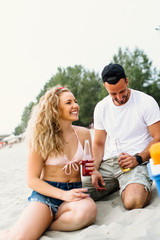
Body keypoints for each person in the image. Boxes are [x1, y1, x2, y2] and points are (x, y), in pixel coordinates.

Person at [0, 86, 97, 239]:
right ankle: (28, 226)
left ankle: (43, 224)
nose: (75, 106)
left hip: (74, 192)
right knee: (19, 238)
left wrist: (94, 172)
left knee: (88, 211)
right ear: (55, 109)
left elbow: (89, 165)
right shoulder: (41, 139)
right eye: (68, 102)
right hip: (46, 195)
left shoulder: (84, 134)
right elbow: (32, 180)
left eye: (75, 101)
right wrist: (63, 194)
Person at [83, 63, 160, 210]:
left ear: (127, 81)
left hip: (137, 161)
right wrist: (94, 169)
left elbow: (159, 138)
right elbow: (99, 144)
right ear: (105, 87)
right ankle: (118, 184)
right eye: (113, 94)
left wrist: (138, 158)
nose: (119, 97)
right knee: (76, 192)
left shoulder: (145, 102)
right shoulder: (101, 107)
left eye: (122, 91)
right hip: (109, 163)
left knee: (134, 202)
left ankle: (130, 184)